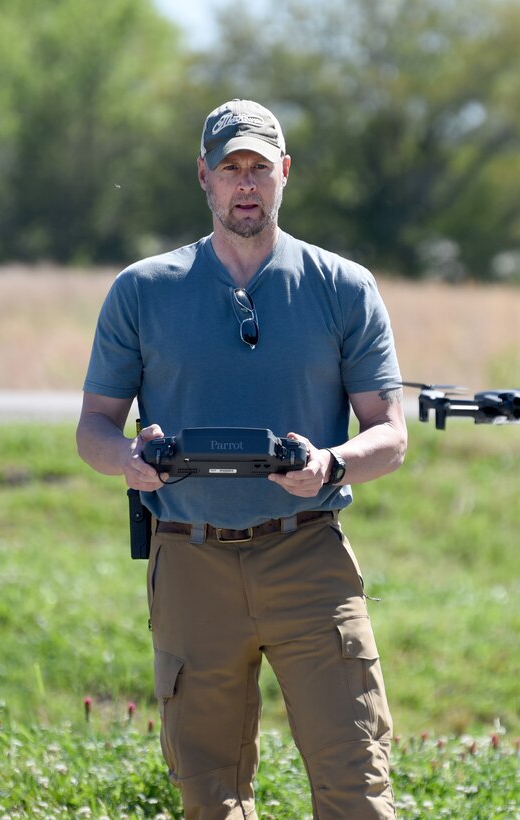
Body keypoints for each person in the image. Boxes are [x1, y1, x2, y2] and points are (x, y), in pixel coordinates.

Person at [76, 98, 407, 819]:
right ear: (204, 176)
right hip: (189, 561)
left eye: (260, 166)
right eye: (231, 168)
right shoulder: (143, 290)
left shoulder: (341, 286)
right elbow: (93, 429)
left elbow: (389, 433)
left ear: (285, 173)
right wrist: (128, 458)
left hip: (307, 557)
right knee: (211, 798)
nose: (246, 182)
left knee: (357, 785)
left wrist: (330, 463)